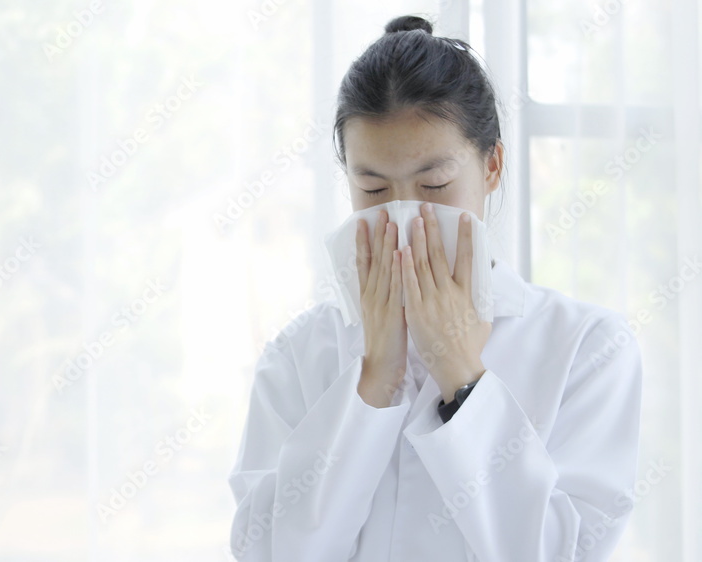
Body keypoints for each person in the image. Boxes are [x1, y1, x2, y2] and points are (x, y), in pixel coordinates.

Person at [226, 14, 643, 562]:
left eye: (435, 185)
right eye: (373, 188)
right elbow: (271, 553)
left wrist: (462, 379)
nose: (405, 216)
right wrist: (375, 376)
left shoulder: (587, 347)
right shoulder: (299, 354)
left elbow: (565, 552)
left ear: (492, 165)